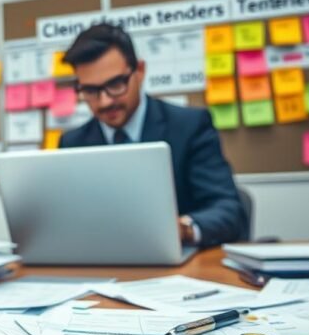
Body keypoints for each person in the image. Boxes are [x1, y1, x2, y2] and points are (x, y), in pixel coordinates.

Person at [58, 23, 248, 247]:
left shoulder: (190, 126)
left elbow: (228, 210)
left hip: (179, 265)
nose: (105, 101)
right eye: (90, 90)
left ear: (139, 71)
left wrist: (183, 229)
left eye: (116, 84)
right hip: (100, 265)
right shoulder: (72, 143)